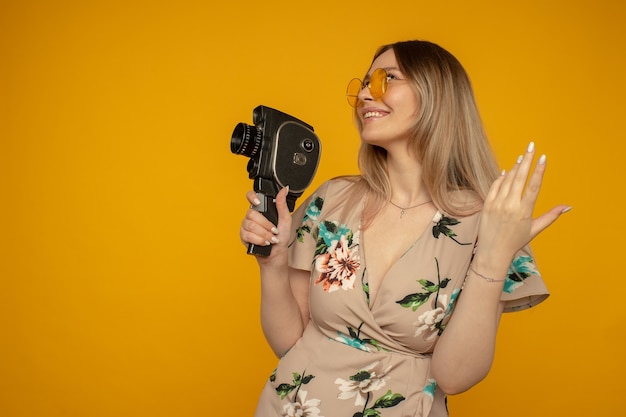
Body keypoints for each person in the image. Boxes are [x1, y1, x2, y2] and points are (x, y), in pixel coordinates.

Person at [239, 40, 570, 417]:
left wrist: (494, 258)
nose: (365, 93)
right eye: (364, 84)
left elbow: (455, 377)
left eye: (386, 79)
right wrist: (273, 264)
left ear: (435, 95)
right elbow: (290, 343)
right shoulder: (333, 199)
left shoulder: (488, 223)